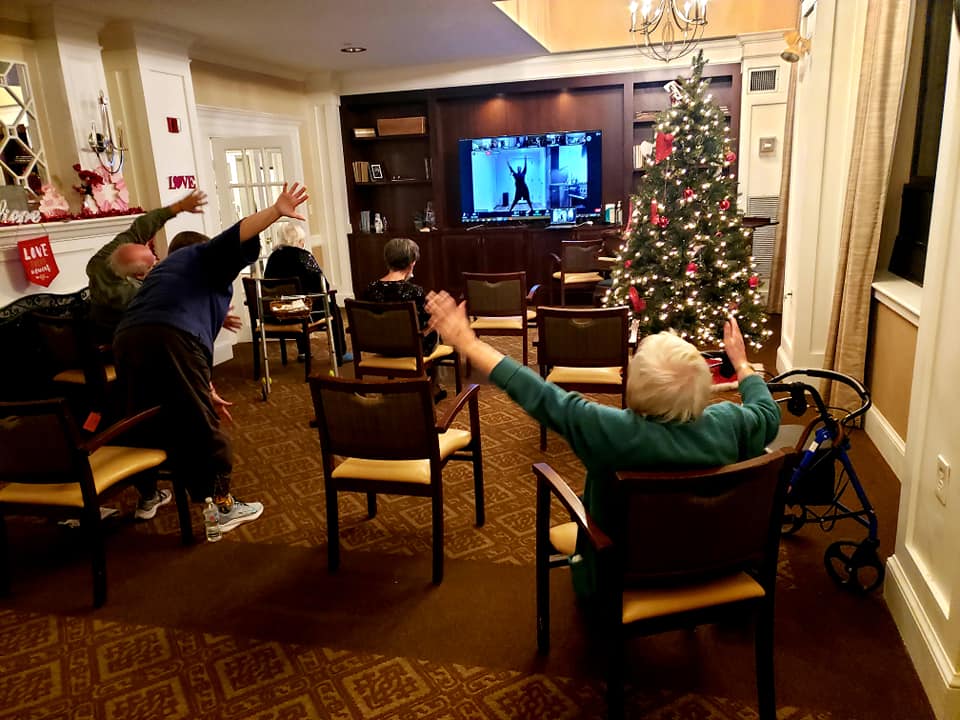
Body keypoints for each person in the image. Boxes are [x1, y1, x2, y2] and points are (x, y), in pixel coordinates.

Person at [424, 290, 781, 595]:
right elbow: (767, 412)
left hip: (616, 575)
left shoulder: (608, 430)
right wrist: (743, 364)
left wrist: (469, 343)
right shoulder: (730, 423)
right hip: (709, 562)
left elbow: (537, 393)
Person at [113, 182, 309, 532]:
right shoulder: (199, 257)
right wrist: (275, 211)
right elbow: (235, 236)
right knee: (202, 426)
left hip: (127, 340)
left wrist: (205, 385)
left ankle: (147, 495)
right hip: (169, 338)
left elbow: (181, 346)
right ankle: (221, 506)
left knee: (141, 416)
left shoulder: (164, 273)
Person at [86, 190, 207, 342]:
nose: (157, 263)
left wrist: (179, 207)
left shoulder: (110, 255)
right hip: (114, 333)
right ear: (138, 276)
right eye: (151, 266)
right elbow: (170, 307)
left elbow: (140, 228)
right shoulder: (134, 296)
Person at [361, 237, 445, 400]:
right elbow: (424, 325)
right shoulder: (415, 291)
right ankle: (432, 388)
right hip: (410, 347)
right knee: (436, 328)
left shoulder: (369, 289)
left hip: (379, 345)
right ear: (411, 263)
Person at [263, 222, 350, 364]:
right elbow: (324, 285)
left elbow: (268, 284)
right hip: (301, 313)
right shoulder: (304, 256)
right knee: (331, 308)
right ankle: (341, 353)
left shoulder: (273, 258)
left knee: (294, 302)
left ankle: (303, 351)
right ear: (299, 241)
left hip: (278, 313)